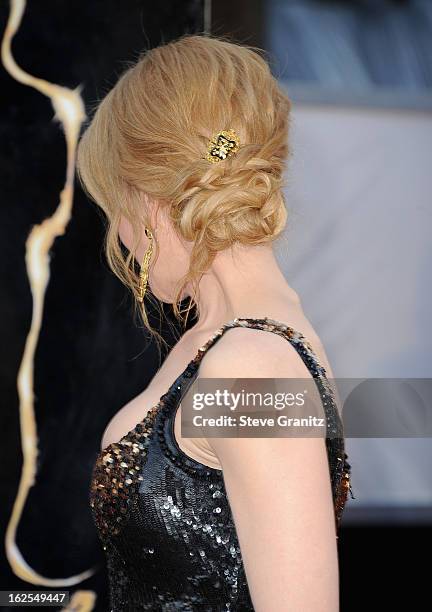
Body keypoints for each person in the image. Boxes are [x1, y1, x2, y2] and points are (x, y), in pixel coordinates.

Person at [76, 34, 352, 611]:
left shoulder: (250, 367)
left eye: (112, 211)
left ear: (145, 198)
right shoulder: (227, 347)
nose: (121, 239)